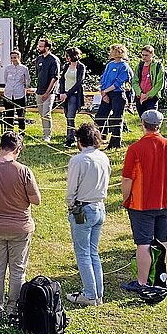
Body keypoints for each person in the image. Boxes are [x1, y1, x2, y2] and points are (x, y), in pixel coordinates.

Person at [0, 132, 42, 318]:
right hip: (20, 227)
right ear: (18, 149)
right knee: (18, 270)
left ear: (0, 146)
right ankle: (13, 310)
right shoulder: (24, 171)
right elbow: (36, 200)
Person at [120, 110, 167, 292]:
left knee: (144, 243)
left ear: (142, 124)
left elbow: (127, 180)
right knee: (165, 240)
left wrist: (126, 197)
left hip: (142, 203)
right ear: (160, 125)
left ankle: (142, 282)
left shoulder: (135, 149)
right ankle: (164, 279)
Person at [64, 123, 109, 304]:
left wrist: (70, 204)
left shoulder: (78, 160)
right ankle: (97, 293)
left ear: (80, 140)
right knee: (93, 252)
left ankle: (90, 294)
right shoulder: (103, 157)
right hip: (99, 207)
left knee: (82, 253)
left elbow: (71, 189)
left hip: (83, 208)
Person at [96, 44, 132, 149]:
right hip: (106, 93)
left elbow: (119, 82)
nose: (109, 53)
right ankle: (95, 140)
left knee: (117, 119)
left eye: (111, 51)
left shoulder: (124, 66)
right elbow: (104, 78)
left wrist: (106, 91)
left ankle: (115, 143)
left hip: (117, 94)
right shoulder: (110, 64)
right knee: (100, 117)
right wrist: (103, 92)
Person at [34, 38, 60, 143]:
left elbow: (54, 78)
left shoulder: (54, 60)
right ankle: (44, 132)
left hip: (49, 92)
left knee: (46, 113)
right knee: (41, 114)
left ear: (47, 48)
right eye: (38, 46)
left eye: (41, 46)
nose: (38, 48)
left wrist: (47, 93)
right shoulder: (38, 59)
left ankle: (47, 135)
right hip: (39, 90)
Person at [58, 47, 86, 146]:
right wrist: (61, 92)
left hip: (74, 95)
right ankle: (71, 136)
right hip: (65, 94)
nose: (66, 57)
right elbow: (62, 79)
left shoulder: (81, 67)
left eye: (68, 55)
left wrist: (68, 93)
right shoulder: (66, 66)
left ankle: (70, 139)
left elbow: (79, 82)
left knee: (70, 117)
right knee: (67, 116)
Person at [2, 50, 31, 134]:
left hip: (20, 94)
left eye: (15, 58)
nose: (13, 59)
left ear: (19, 57)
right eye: (11, 58)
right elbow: (5, 79)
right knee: (9, 114)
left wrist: (25, 88)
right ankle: (9, 132)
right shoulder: (8, 68)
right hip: (8, 94)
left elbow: (27, 81)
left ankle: (21, 133)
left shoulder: (24, 68)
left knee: (20, 114)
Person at [132, 45, 164, 115]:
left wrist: (148, 95)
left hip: (152, 98)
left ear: (152, 54)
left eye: (146, 55)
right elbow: (135, 81)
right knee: (142, 119)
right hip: (140, 97)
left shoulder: (158, 66)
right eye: (142, 55)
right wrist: (139, 93)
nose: (144, 57)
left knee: (151, 119)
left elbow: (159, 84)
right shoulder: (139, 66)